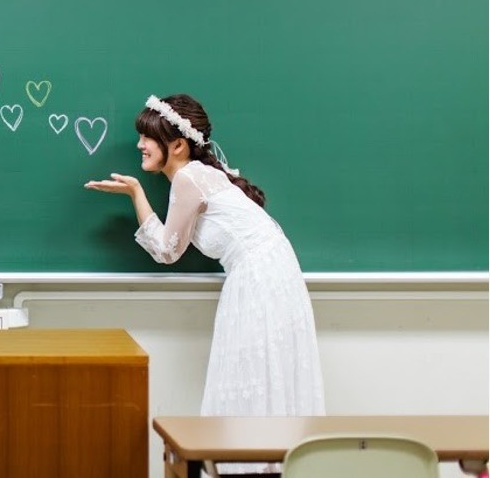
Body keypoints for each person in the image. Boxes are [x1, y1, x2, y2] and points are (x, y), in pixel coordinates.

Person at [85, 94, 324, 473]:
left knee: (250, 372)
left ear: (177, 145)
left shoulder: (189, 178)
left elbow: (167, 251)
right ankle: (266, 463)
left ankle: (253, 463)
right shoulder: (201, 176)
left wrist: (136, 194)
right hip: (271, 275)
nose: (139, 145)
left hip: (258, 278)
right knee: (261, 374)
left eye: (147, 137)